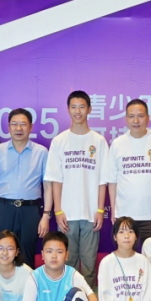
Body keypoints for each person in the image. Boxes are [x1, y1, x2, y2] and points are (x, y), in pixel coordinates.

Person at [46, 91, 109, 287]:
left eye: (82, 107)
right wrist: (58, 210)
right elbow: (56, 179)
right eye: (73, 107)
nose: (78, 111)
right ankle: (68, 297)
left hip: (91, 213)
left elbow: (103, 180)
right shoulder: (59, 141)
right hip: (67, 213)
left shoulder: (99, 141)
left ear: (89, 109)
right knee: (68, 260)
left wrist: (100, 209)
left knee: (89, 263)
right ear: (68, 110)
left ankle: (87, 300)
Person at [0, 108, 51, 263]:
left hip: (30, 210)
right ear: (8, 126)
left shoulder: (41, 152)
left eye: (23, 124)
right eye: (14, 124)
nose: (18, 128)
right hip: (4, 209)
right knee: (3, 253)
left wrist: (46, 216)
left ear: (31, 127)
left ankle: (27, 280)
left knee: (27, 254)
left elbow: (48, 187)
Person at [104, 99, 151, 245]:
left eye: (140, 116)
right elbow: (112, 181)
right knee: (127, 254)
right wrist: (114, 211)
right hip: (125, 215)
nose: (136, 120)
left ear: (148, 118)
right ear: (126, 118)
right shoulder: (118, 144)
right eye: (131, 116)